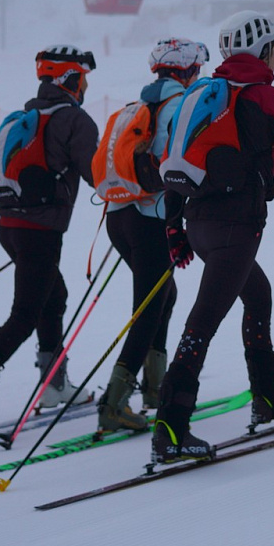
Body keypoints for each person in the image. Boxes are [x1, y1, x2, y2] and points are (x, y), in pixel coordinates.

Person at [150, 10, 274, 462]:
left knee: (259, 296)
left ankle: (269, 397)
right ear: (264, 50)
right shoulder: (268, 98)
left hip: (198, 224)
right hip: (236, 230)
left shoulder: (200, 95)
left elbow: (174, 166)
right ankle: (171, 429)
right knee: (202, 323)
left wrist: (175, 231)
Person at [0, 45, 102, 436]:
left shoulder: (31, 114)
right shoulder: (74, 121)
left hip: (10, 228)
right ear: (70, 80)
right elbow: (99, 175)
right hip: (40, 233)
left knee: (54, 297)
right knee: (25, 314)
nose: (85, 87)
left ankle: (54, 385)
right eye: (83, 79)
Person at [91, 36, 211, 435]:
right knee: (148, 308)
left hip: (118, 218)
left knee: (164, 295)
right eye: (198, 69)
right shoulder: (182, 107)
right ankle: (114, 404)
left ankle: (154, 389)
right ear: (188, 71)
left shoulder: (136, 108)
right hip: (151, 220)